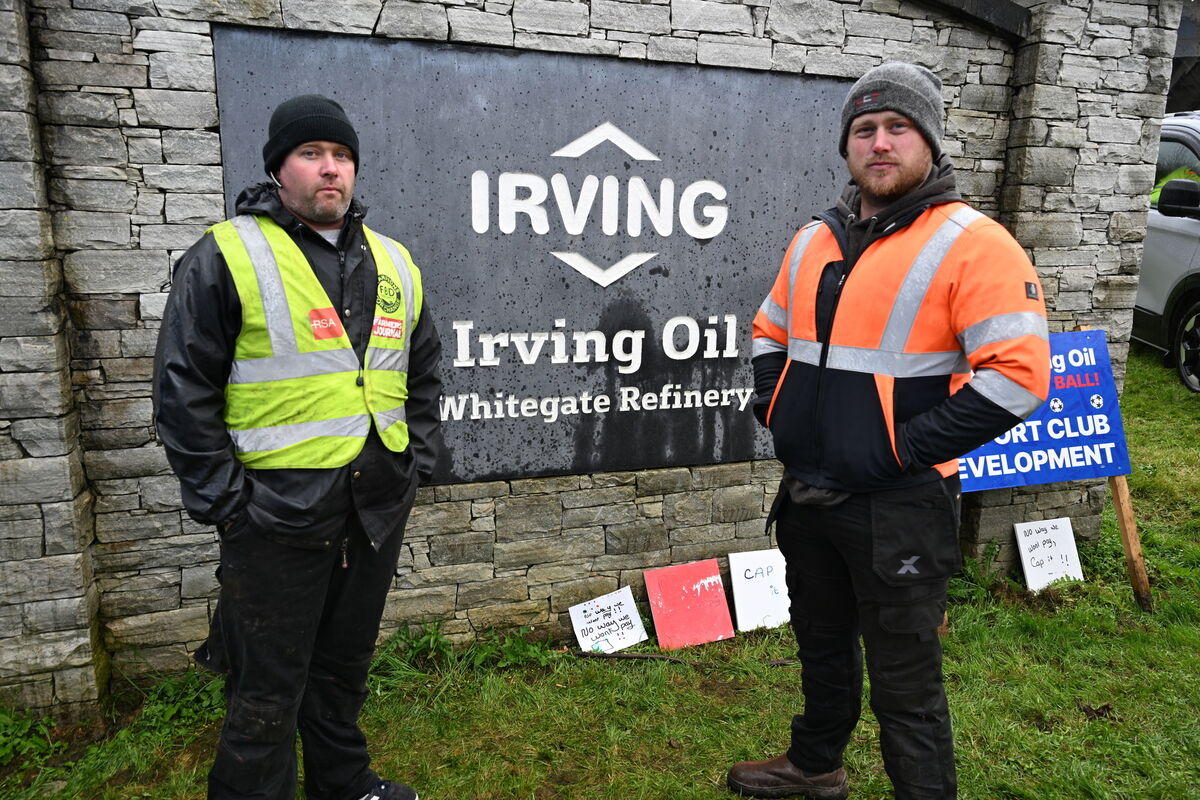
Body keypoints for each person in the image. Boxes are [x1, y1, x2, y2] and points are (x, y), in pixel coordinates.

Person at [729, 63, 1050, 800]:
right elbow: (770, 328)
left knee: (907, 685)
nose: (879, 143)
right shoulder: (814, 239)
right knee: (822, 650)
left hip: (900, 506)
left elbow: (1019, 377)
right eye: (865, 129)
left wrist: (901, 449)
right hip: (809, 494)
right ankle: (815, 766)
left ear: (929, 141)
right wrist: (775, 407)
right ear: (846, 145)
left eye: (898, 127)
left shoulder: (974, 243)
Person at [153, 94, 443, 800]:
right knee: (266, 689)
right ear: (279, 168)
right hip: (274, 517)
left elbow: (422, 370)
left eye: (341, 155)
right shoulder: (227, 255)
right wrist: (228, 505)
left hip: (373, 508)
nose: (330, 169)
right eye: (312, 154)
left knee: (342, 669)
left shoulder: (394, 261)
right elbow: (183, 390)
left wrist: (415, 465)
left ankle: (342, 784)